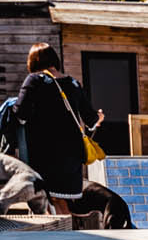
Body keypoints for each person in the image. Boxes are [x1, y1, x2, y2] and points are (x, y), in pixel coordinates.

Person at [11, 43, 102, 214]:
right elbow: (91, 120)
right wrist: (99, 117)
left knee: (48, 203)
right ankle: (68, 231)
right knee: (62, 202)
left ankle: (58, 230)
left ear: (33, 62)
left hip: (46, 154)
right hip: (72, 156)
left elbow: (21, 113)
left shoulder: (34, 80)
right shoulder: (73, 83)